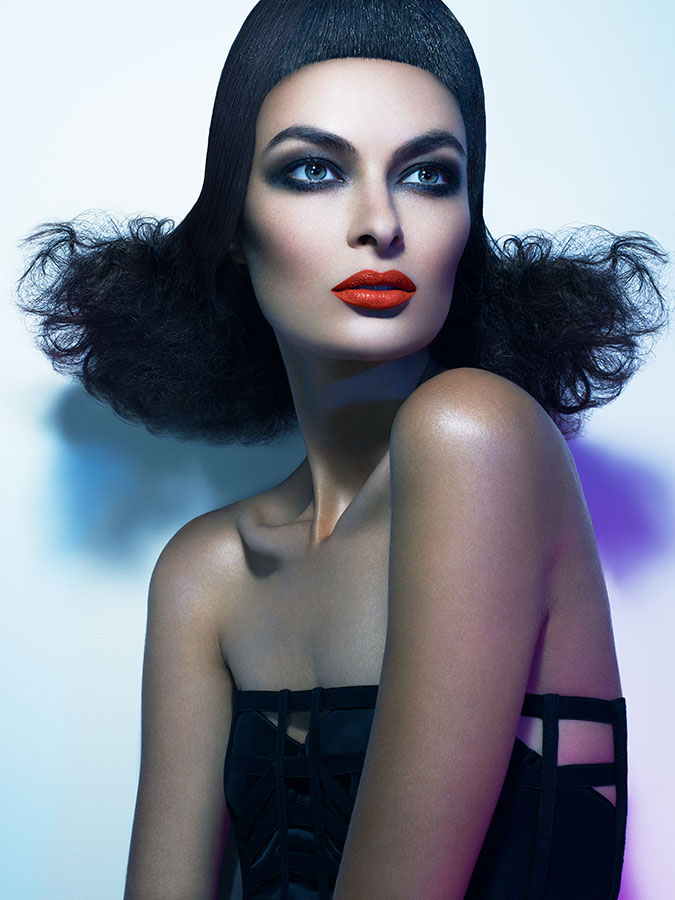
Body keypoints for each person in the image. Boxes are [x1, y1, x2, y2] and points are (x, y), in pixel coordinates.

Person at [17, 1, 668, 898]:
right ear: (234, 227)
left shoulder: (476, 435)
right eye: (313, 170)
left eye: (428, 176)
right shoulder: (207, 575)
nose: (380, 223)